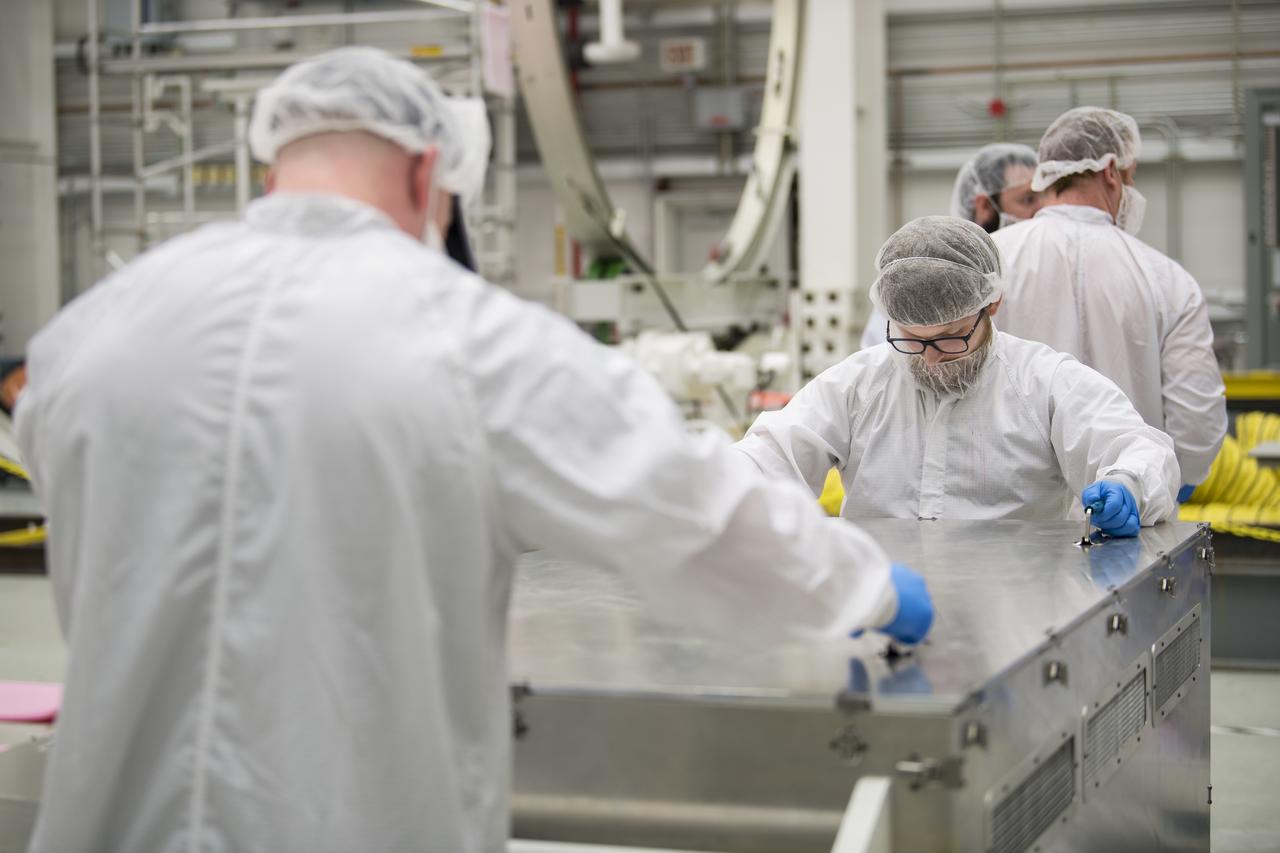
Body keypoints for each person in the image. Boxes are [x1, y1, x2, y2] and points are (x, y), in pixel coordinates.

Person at [14, 47, 933, 853]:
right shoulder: (468, 337)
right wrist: (871, 590)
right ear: (427, 176)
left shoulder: (92, 334)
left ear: (271, 172)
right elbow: (689, 511)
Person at [738, 215, 1179, 532]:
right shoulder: (859, 384)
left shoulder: (1043, 382)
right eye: (911, 339)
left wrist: (1129, 485)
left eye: (949, 338)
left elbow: (1138, 450)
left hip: (1018, 615)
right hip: (887, 609)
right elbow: (772, 455)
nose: (929, 359)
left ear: (992, 305)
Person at [992, 107, 1226, 494]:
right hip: (1128, 516)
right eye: (1132, 178)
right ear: (1111, 172)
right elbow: (1197, 416)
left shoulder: (991, 260)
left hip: (1008, 511)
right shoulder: (1165, 278)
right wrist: (1165, 483)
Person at [861, 143, 1044, 349]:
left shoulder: (1044, 262)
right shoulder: (922, 270)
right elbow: (883, 353)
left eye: (1045, 199)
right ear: (984, 206)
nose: (1041, 211)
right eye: (1028, 200)